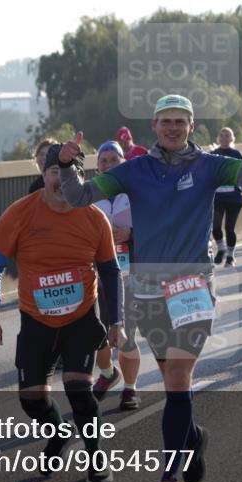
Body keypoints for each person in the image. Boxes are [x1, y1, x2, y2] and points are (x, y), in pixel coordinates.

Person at [56, 94, 242, 482]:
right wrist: (66, 165)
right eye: (166, 121)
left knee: (176, 380)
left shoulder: (209, 165)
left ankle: (168, 474)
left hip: (192, 288)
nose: (173, 128)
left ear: (191, 126)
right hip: (147, 288)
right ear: (154, 125)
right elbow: (80, 197)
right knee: (173, 380)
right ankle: (195, 437)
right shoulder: (135, 170)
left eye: (180, 121)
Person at [0, 145, 123, 482]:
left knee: (79, 390)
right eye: (55, 172)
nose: (61, 179)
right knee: (32, 401)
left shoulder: (94, 218)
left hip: (80, 318)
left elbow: (110, 272)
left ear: (81, 177)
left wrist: (116, 323)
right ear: (44, 175)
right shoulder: (19, 214)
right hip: (36, 321)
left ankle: (96, 457)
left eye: (69, 171)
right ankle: (58, 432)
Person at [89, 141, 141, 410]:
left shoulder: (135, 193)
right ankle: (108, 373)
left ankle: (130, 389)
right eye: (104, 160)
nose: (108, 164)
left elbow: (157, 226)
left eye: (114, 160)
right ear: (97, 166)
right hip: (97, 277)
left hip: (131, 272)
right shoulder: (88, 195)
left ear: (124, 164)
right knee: (98, 335)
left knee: (126, 333)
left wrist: (131, 235)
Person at [211, 127, 242, 266]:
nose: (224, 138)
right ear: (218, 138)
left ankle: (231, 255)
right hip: (218, 197)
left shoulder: (236, 154)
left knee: (230, 228)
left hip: (234, 198)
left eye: (227, 136)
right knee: (215, 226)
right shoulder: (213, 154)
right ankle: (221, 248)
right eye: (222, 135)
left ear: (232, 139)